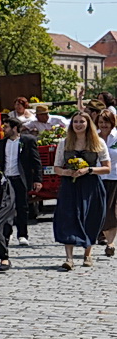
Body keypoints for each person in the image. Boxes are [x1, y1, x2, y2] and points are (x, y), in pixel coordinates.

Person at [51, 110, 110, 270]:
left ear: (88, 124)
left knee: (89, 217)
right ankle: (69, 258)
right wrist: (66, 172)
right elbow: (56, 167)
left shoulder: (98, 142)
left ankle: (87, 254)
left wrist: (89, 170)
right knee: (67, 217)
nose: (78, 125)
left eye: (81, 122)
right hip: (70, 184)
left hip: (90, 185)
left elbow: (107, 168)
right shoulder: (65, 142)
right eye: (75, 122)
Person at [0, 114, 42, 249]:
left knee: (22, 207)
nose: (4, 129)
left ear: (14, 128)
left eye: (6, 127)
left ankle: (22, 235)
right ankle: (7, 233)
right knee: (6, 208)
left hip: (20, 178)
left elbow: (36, 162)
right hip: (5, 179)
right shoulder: (1, 143)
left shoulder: (28, 141)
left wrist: (37, 179)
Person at [97, 107, 117, 258]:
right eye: (101, 122)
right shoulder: (94, 138)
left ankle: (111, 244)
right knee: (102, 211)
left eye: (107, 122)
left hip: (115, 177)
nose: (104, 125)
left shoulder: (116, 137)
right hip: (98, 177)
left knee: (113, 210)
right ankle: (105, 237)